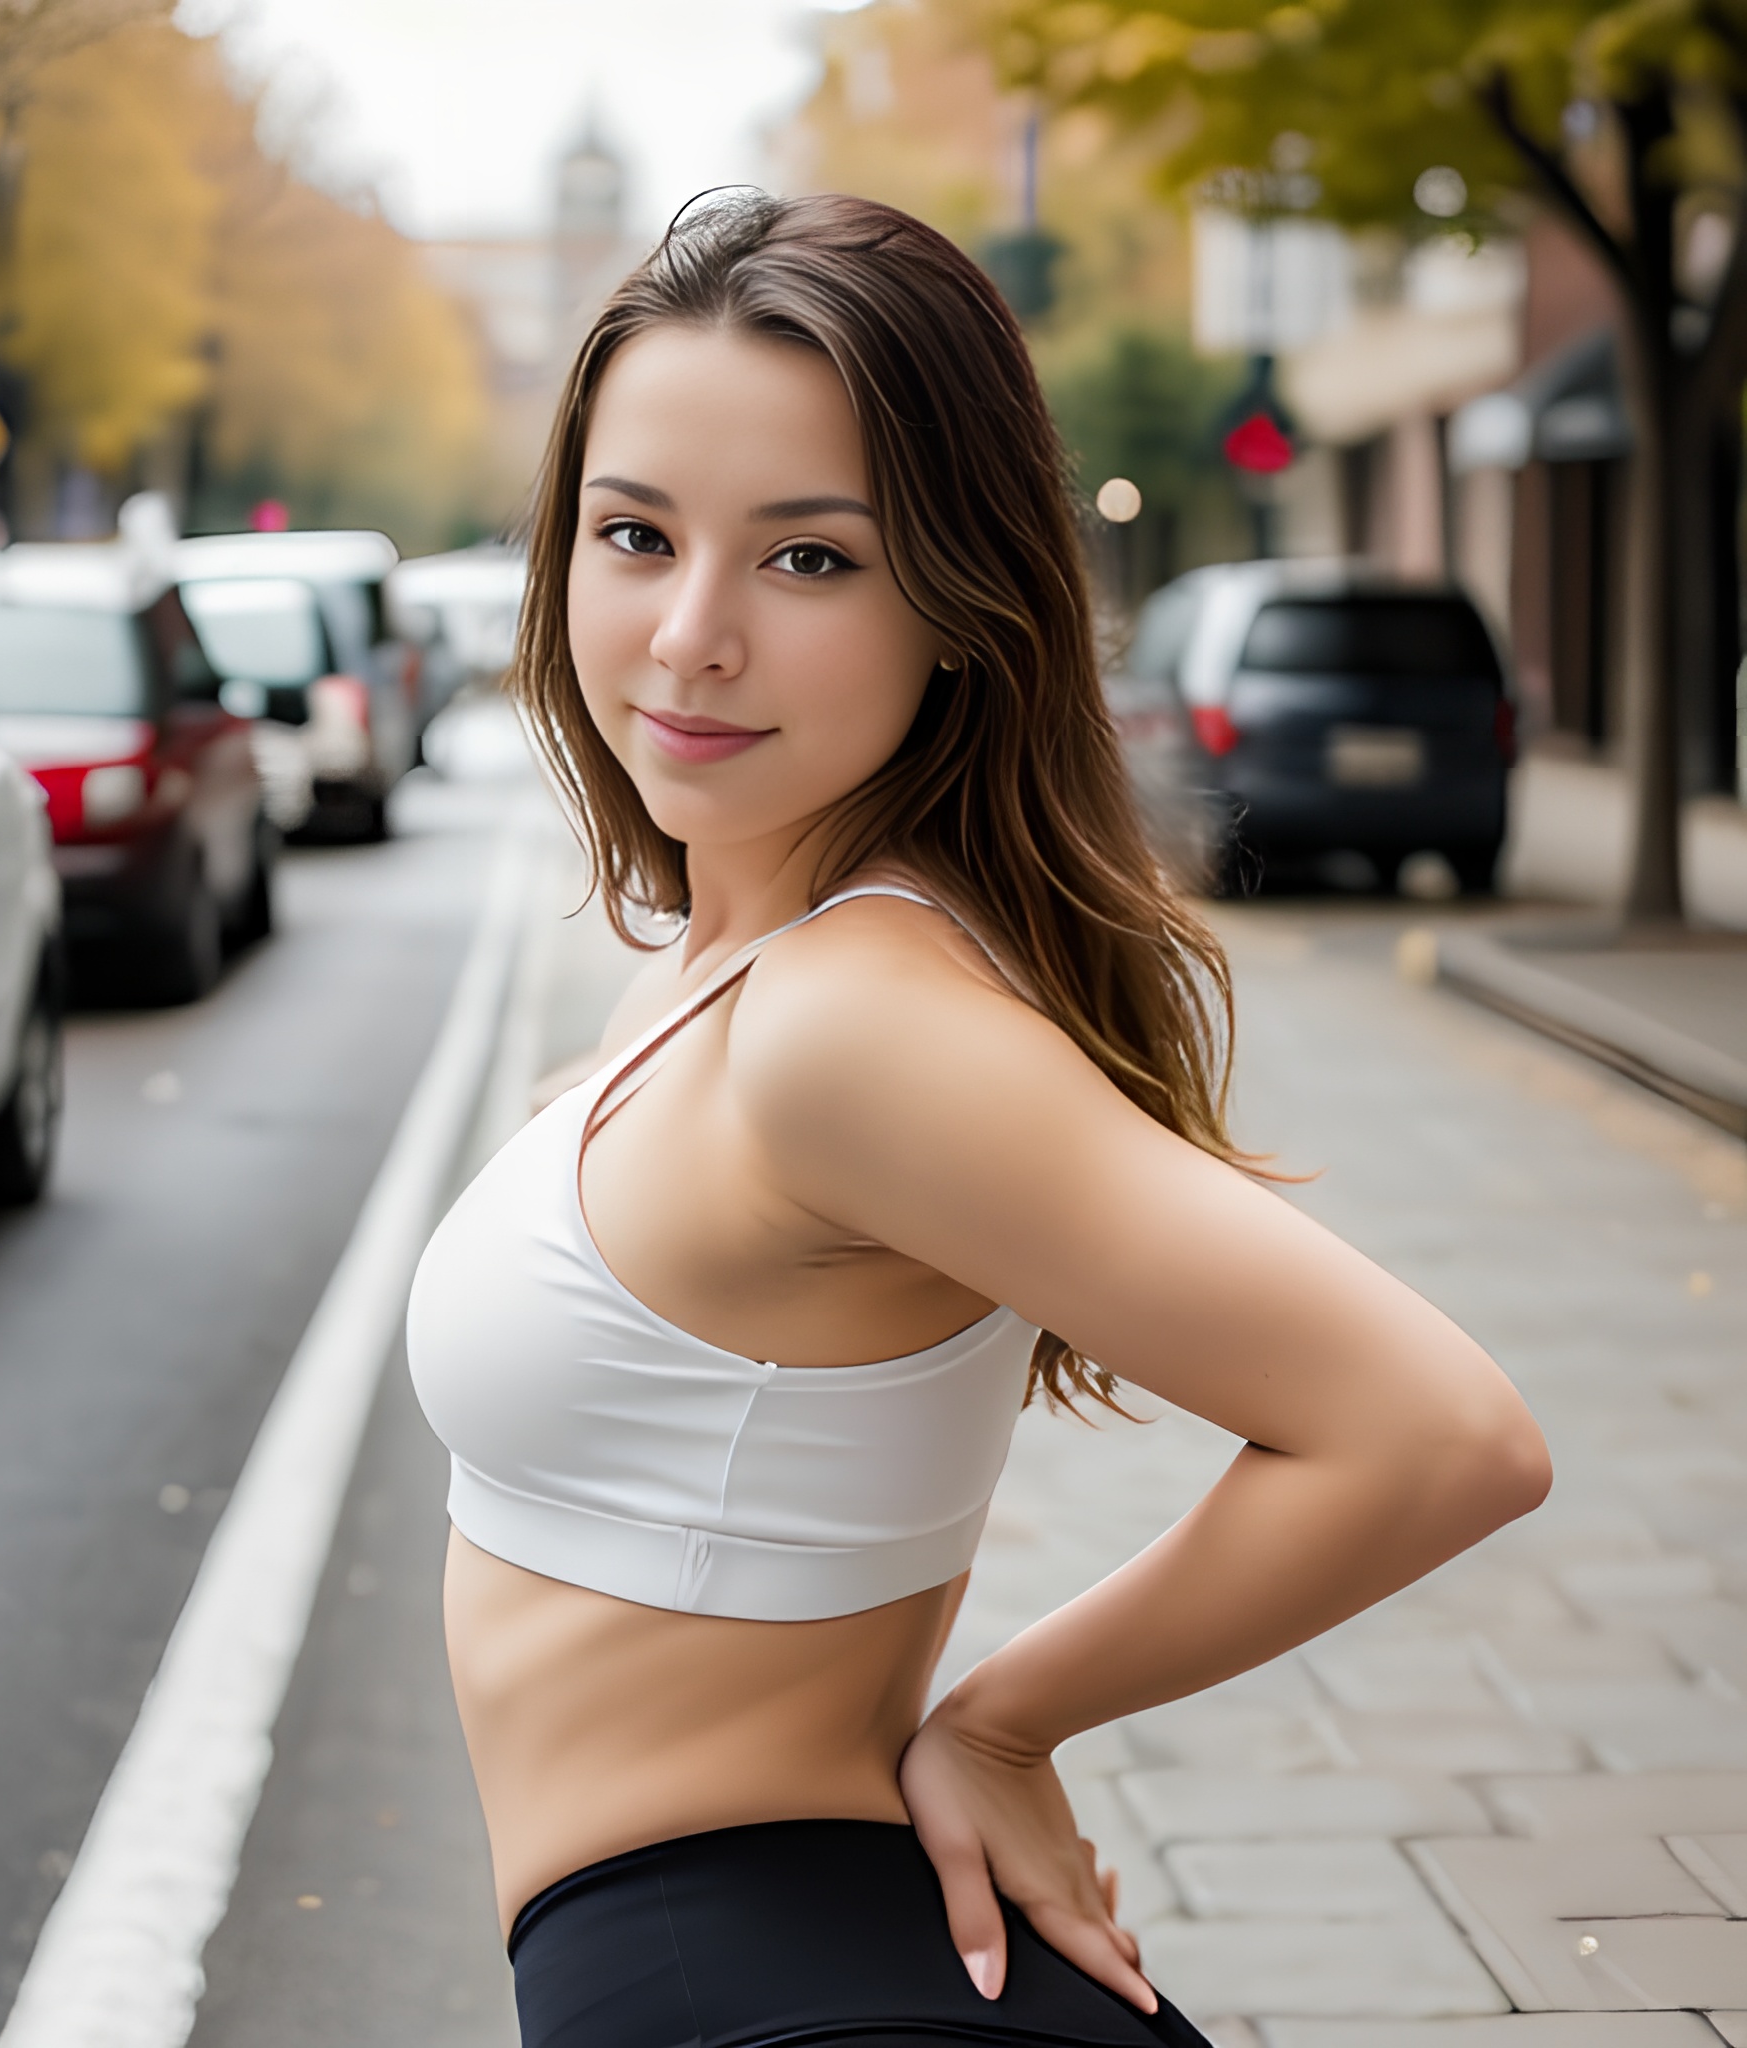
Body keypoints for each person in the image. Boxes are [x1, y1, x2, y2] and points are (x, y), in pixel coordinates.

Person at [407, 191, 1551, 2048]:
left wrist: (1010, 1715)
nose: (689, 638)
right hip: (718, 1963)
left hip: (774, 1982)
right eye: (635, 535)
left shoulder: (851, 1023)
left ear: (959, 597)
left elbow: (1438, 1436)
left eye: (808, 562)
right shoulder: (740, 960)